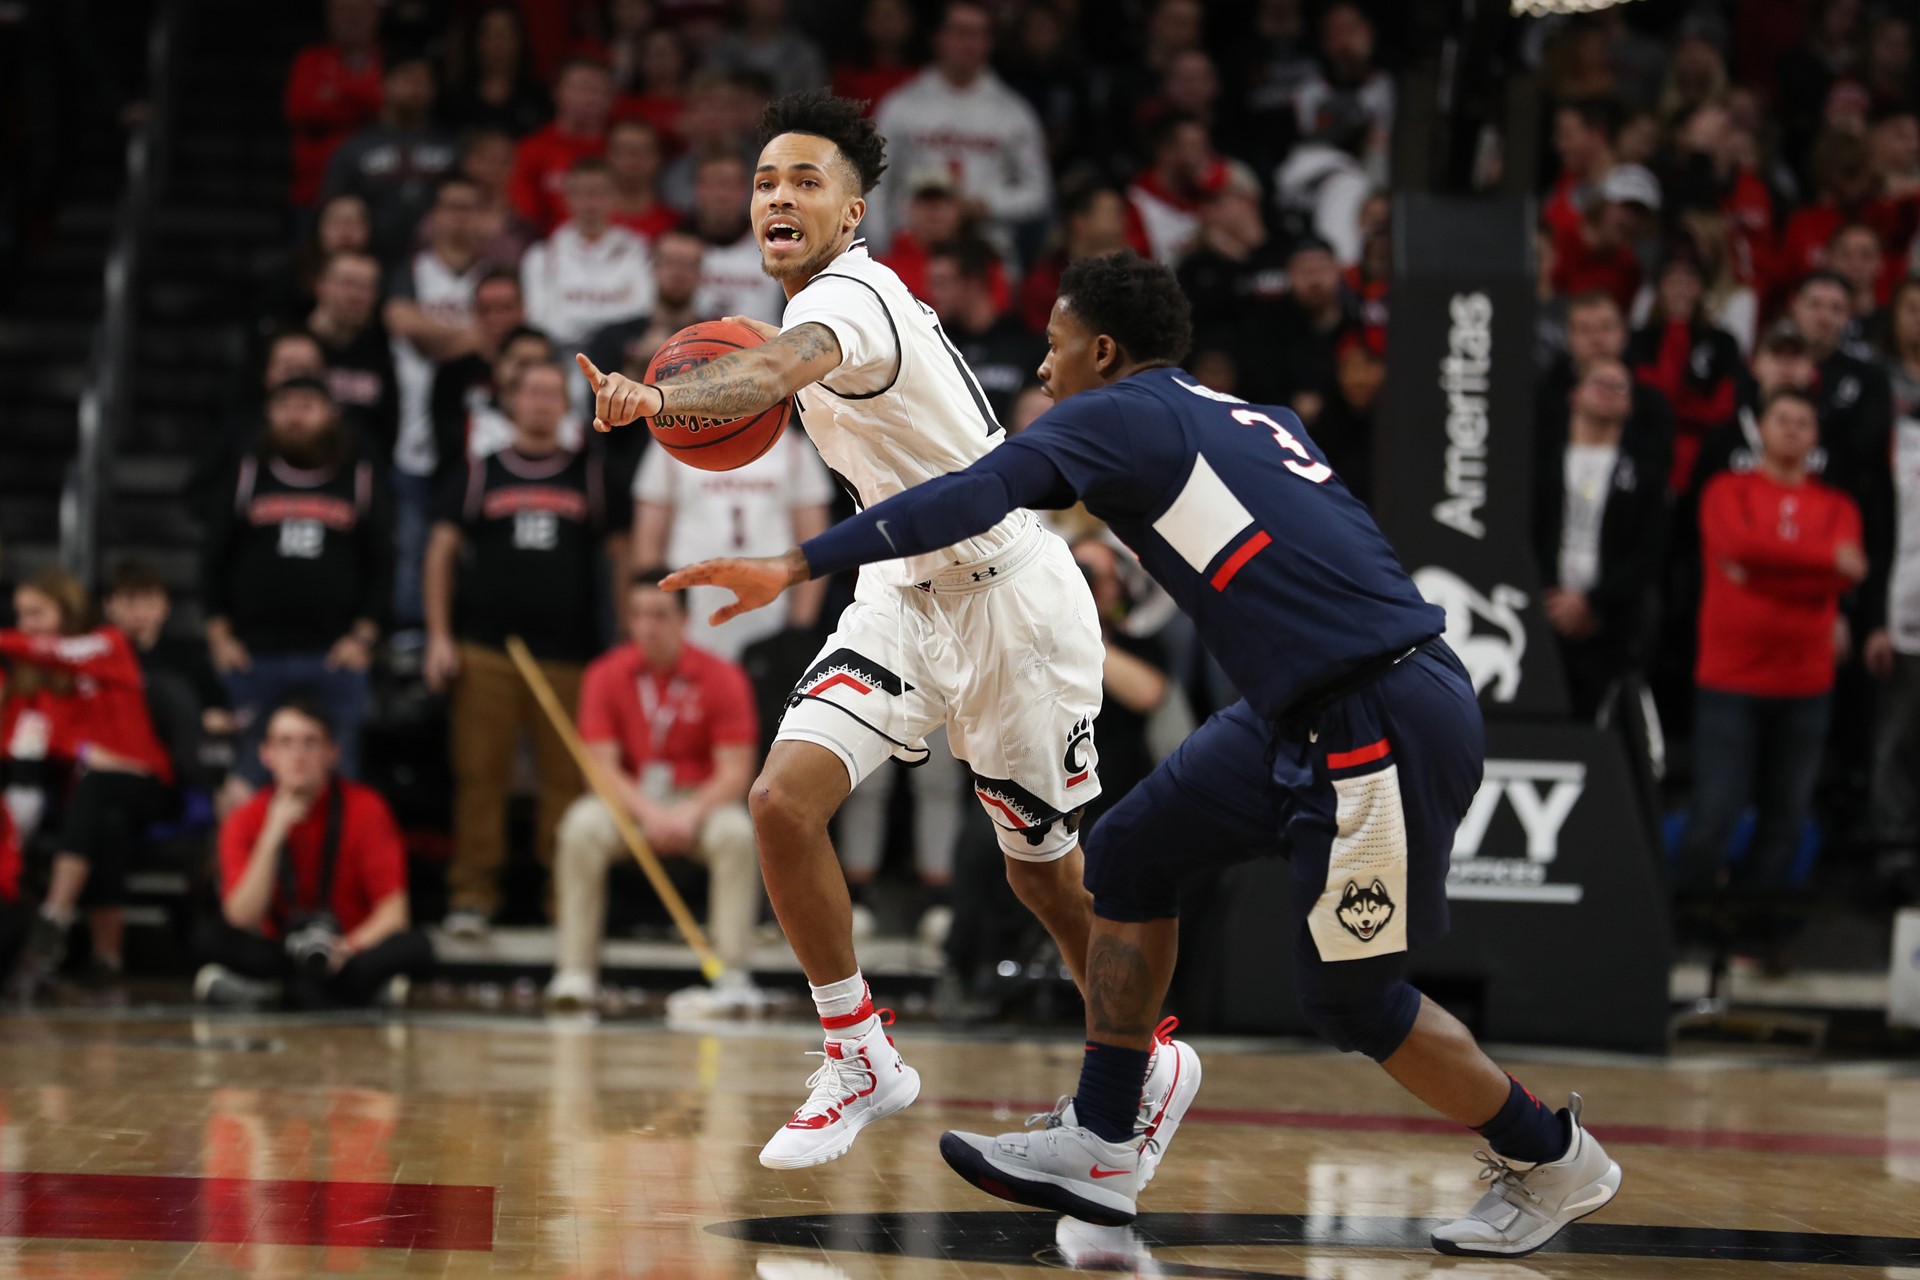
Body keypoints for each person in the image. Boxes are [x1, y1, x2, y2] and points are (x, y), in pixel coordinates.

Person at [663, 253, 1620, 1252]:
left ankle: (1553, 1156)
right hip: (1306, 702)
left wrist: (798, 559)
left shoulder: (1113, 412)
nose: (1041, 371)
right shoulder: (1245, 415)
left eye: (1054, 347)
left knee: (1353, 998)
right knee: (1126, 852)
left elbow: (969, 494)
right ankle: (1106, 1135)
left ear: (1104, 351)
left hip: (1373, 716)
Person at [576, 90, 1198, 1172]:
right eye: (766, 179)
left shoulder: (853, 297)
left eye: (805, 179)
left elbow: (771, 372)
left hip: (1011, 599)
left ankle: (1144, 1056)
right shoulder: (820, 296)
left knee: (1044, 873)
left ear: (853, 212)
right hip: (901, 589)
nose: (778, 194)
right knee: (778, 803)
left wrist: (658, 400)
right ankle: (858, 1048)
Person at [423, 360, 629, 937]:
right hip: (486, 652)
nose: (541, 401)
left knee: (566, 782)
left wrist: (624, 642)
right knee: (479, 777)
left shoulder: (590, 474)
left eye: (552, 392)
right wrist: (439, 635)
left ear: (565, 405)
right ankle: (472, 897)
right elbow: (439, 552)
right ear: (510, 402)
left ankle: (568, 900)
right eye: (531, 390)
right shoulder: (477, 473)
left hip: (570, 655)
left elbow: (620, 557)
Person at [545, 571, 761, 1009]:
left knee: (738, 833)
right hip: (632, 800)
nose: (647, 627)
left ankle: (733, 974)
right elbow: (599, 772)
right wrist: (650, 814)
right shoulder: (604, 674)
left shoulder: (723, 677)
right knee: (580, 826)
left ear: (684, 620)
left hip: (697, 802)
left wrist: (688, 814)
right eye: (638, 615)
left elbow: (736, 773)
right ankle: (574, 972)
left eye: (659, 616)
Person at [1679, 390, 1866, 893]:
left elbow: (1850, 572)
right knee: (1716, 811)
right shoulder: (1726, 490)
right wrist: (1822, 563)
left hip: (1806, 682)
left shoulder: (1837, 505)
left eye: (1803, 422)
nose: (1791, 429)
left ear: (1815, 437)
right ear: (1760, 428)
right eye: (1782, 419)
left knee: (1786, 818)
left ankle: (1756, 933)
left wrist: (1760, 571)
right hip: (1729, 677)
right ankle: (1686, 926)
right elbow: (1737, 546)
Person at [202, 377, 387, 792]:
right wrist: (218, 634)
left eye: (308, 405)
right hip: (254, 656)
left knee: (336, 779)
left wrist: (363, 636)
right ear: (269, 414)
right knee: (247, 777)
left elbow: (381, 564)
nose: (296, 416)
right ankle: (246, 857)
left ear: (331, 415)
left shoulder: (356, 478)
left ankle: (330, 859)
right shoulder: (247, 474)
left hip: (334, 657)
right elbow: (213, 559)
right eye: (286, 405)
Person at [196, 697, 432, 1009]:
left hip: (346, 949)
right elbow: (241, 916)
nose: (298, 755)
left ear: (332, 752)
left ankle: (270, 995)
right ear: (266, 754)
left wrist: (346, 948)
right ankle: (358, 995)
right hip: (280, 949)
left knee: (416, 946)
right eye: (286, 743)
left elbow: (394, 913)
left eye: (311, 743)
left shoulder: (367, 808)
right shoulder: (245, 819)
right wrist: (272, 834)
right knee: (209, 937)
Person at [5, 569, 176, 984]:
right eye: (20, 616)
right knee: (106, 822)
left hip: (148, 784)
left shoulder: (108, 644)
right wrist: (82, 751)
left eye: (36, 613)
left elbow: (57, 653)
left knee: (98, 786)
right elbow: (43, 740)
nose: (26, 626)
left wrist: (89, 755)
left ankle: (54, 914)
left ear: (68, 611)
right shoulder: (37, 682)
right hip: (92, 795)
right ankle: (106, 960)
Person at [632, 401, 832, 661]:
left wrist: (798, 629)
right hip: (689, 612)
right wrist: (659, 617)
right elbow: (647, 542)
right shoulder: (674, 442)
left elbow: (814, 542)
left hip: (771, 615)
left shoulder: (792, 446)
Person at [1531, 358, 1671, 719]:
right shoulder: (1540, 462)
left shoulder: (1645, 471)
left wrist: (1593, 602)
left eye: (1619, 386)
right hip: (1540, 615)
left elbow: (1649, 551)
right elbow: (1525, 533)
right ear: (1574, 395)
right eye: (1600, 383)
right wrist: (1548, 598)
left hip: (1611, 625)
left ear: (1630, 405)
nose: (1610, 391)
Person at [386, 175, 490, 630]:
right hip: (412, 434)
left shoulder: (492, 274)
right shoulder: (412, 270)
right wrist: (471, 338)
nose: (459, 217)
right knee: (410, 545)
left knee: (471, 547)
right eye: (450, 206)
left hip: (477, 433)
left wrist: (434, 337)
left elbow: (499, 336)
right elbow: (400, 320)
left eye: (469, 207)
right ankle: (410, 638)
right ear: (435, 216)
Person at [870, 1, 1051, 254]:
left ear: (991, 42)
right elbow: (875, 181)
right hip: (909, 250)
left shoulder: (1013, 113)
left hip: (986, 252)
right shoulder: (900, 105)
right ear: (938, 38)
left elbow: (1038, 194)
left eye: (979, 34)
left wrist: (984, 205)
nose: (969, 44)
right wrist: (879, 249)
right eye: (960, 32)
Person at [321, 54, 461, 257]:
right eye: (407, 80)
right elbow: (334, 208)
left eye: (423, 82)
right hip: (372, 259)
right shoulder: (354, 148)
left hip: (439, 259)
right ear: (384, 84)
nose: (415, 89)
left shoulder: (452, 146)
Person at [521, 157, 656, 352]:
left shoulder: (639, 250)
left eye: (598, 194)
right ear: (566, 198)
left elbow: (642, 309)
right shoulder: (541, 255)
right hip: (561, 358)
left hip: (620, 360)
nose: (590, 204)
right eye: (581, 194)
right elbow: (538, 319)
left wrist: (581, 322)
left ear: (614, 197)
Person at [284, 0, 383, 208]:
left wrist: (338, 92)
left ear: (375, 15)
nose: (351, 19)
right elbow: (301, 110)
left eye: (359, 11)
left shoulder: (387, 59)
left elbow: (385, 107)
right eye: (342, 11)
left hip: (377, 190)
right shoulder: (310, 59)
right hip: (316, 189)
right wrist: (365, 103)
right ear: (329, 17)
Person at [306, 251, 400, 456]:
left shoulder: (383, 352)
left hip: (360, 473)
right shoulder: (290, 346)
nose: (356, 296)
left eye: (366, 287)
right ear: (320, 286)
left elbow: (388, 429)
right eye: (347, 283)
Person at [508, 58, 615, 235]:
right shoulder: (531, 149)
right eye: (580, 87)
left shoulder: (622, 152)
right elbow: (525, 215)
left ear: (610, 97)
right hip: (549, 248)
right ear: (557, 92)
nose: (588, 96)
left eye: (597, 89)